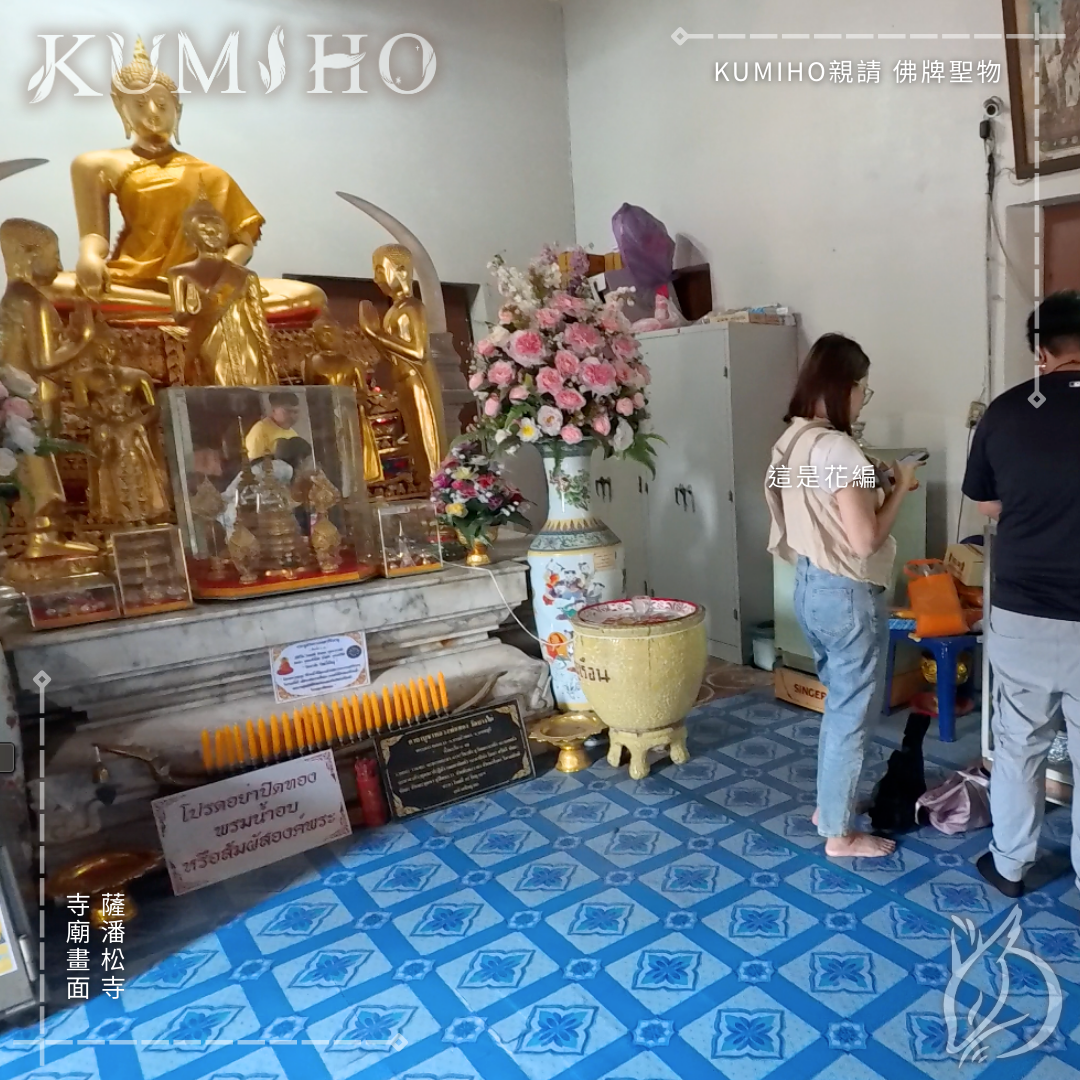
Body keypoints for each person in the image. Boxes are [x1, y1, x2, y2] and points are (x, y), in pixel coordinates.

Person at [765, 333, 922, 859]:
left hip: (808, 586)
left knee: (839, 704)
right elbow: (864, 540)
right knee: (851, 714)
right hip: (846, 592)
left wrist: (871, 474)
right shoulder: (839, 447)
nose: (862, 400)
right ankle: (838, 831)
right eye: (863, 390)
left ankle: (829, 804)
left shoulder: (793, 441)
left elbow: (814, 492)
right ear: (845, 387)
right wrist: (898, 486)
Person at [962, 291, 1080, 898]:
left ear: (1040, 350)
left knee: (1019, 744)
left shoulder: (1006, 412)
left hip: (1024, 611)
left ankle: (1010, 866)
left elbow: (987, 504)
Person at [245, 393, 300, 460]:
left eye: (296, 412)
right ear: (273, 410)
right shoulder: (260, 431)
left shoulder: (293, 434)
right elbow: (253, 465)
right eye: (287, 411)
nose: (292, 416)